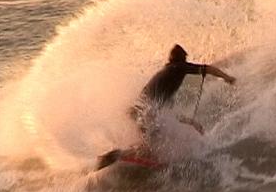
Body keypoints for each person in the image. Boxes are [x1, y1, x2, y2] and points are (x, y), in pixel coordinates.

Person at [96, 44, 236, 170]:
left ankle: (116, 155)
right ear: (182, 59)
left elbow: (168, 114)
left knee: (148, 144)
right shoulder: (179, 67)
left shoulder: (166, 74)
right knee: (148, 148)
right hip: (146, 112)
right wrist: (227, 77)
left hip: (139, 110)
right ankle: (115, 156)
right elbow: (208, 68)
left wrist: (191, 122)